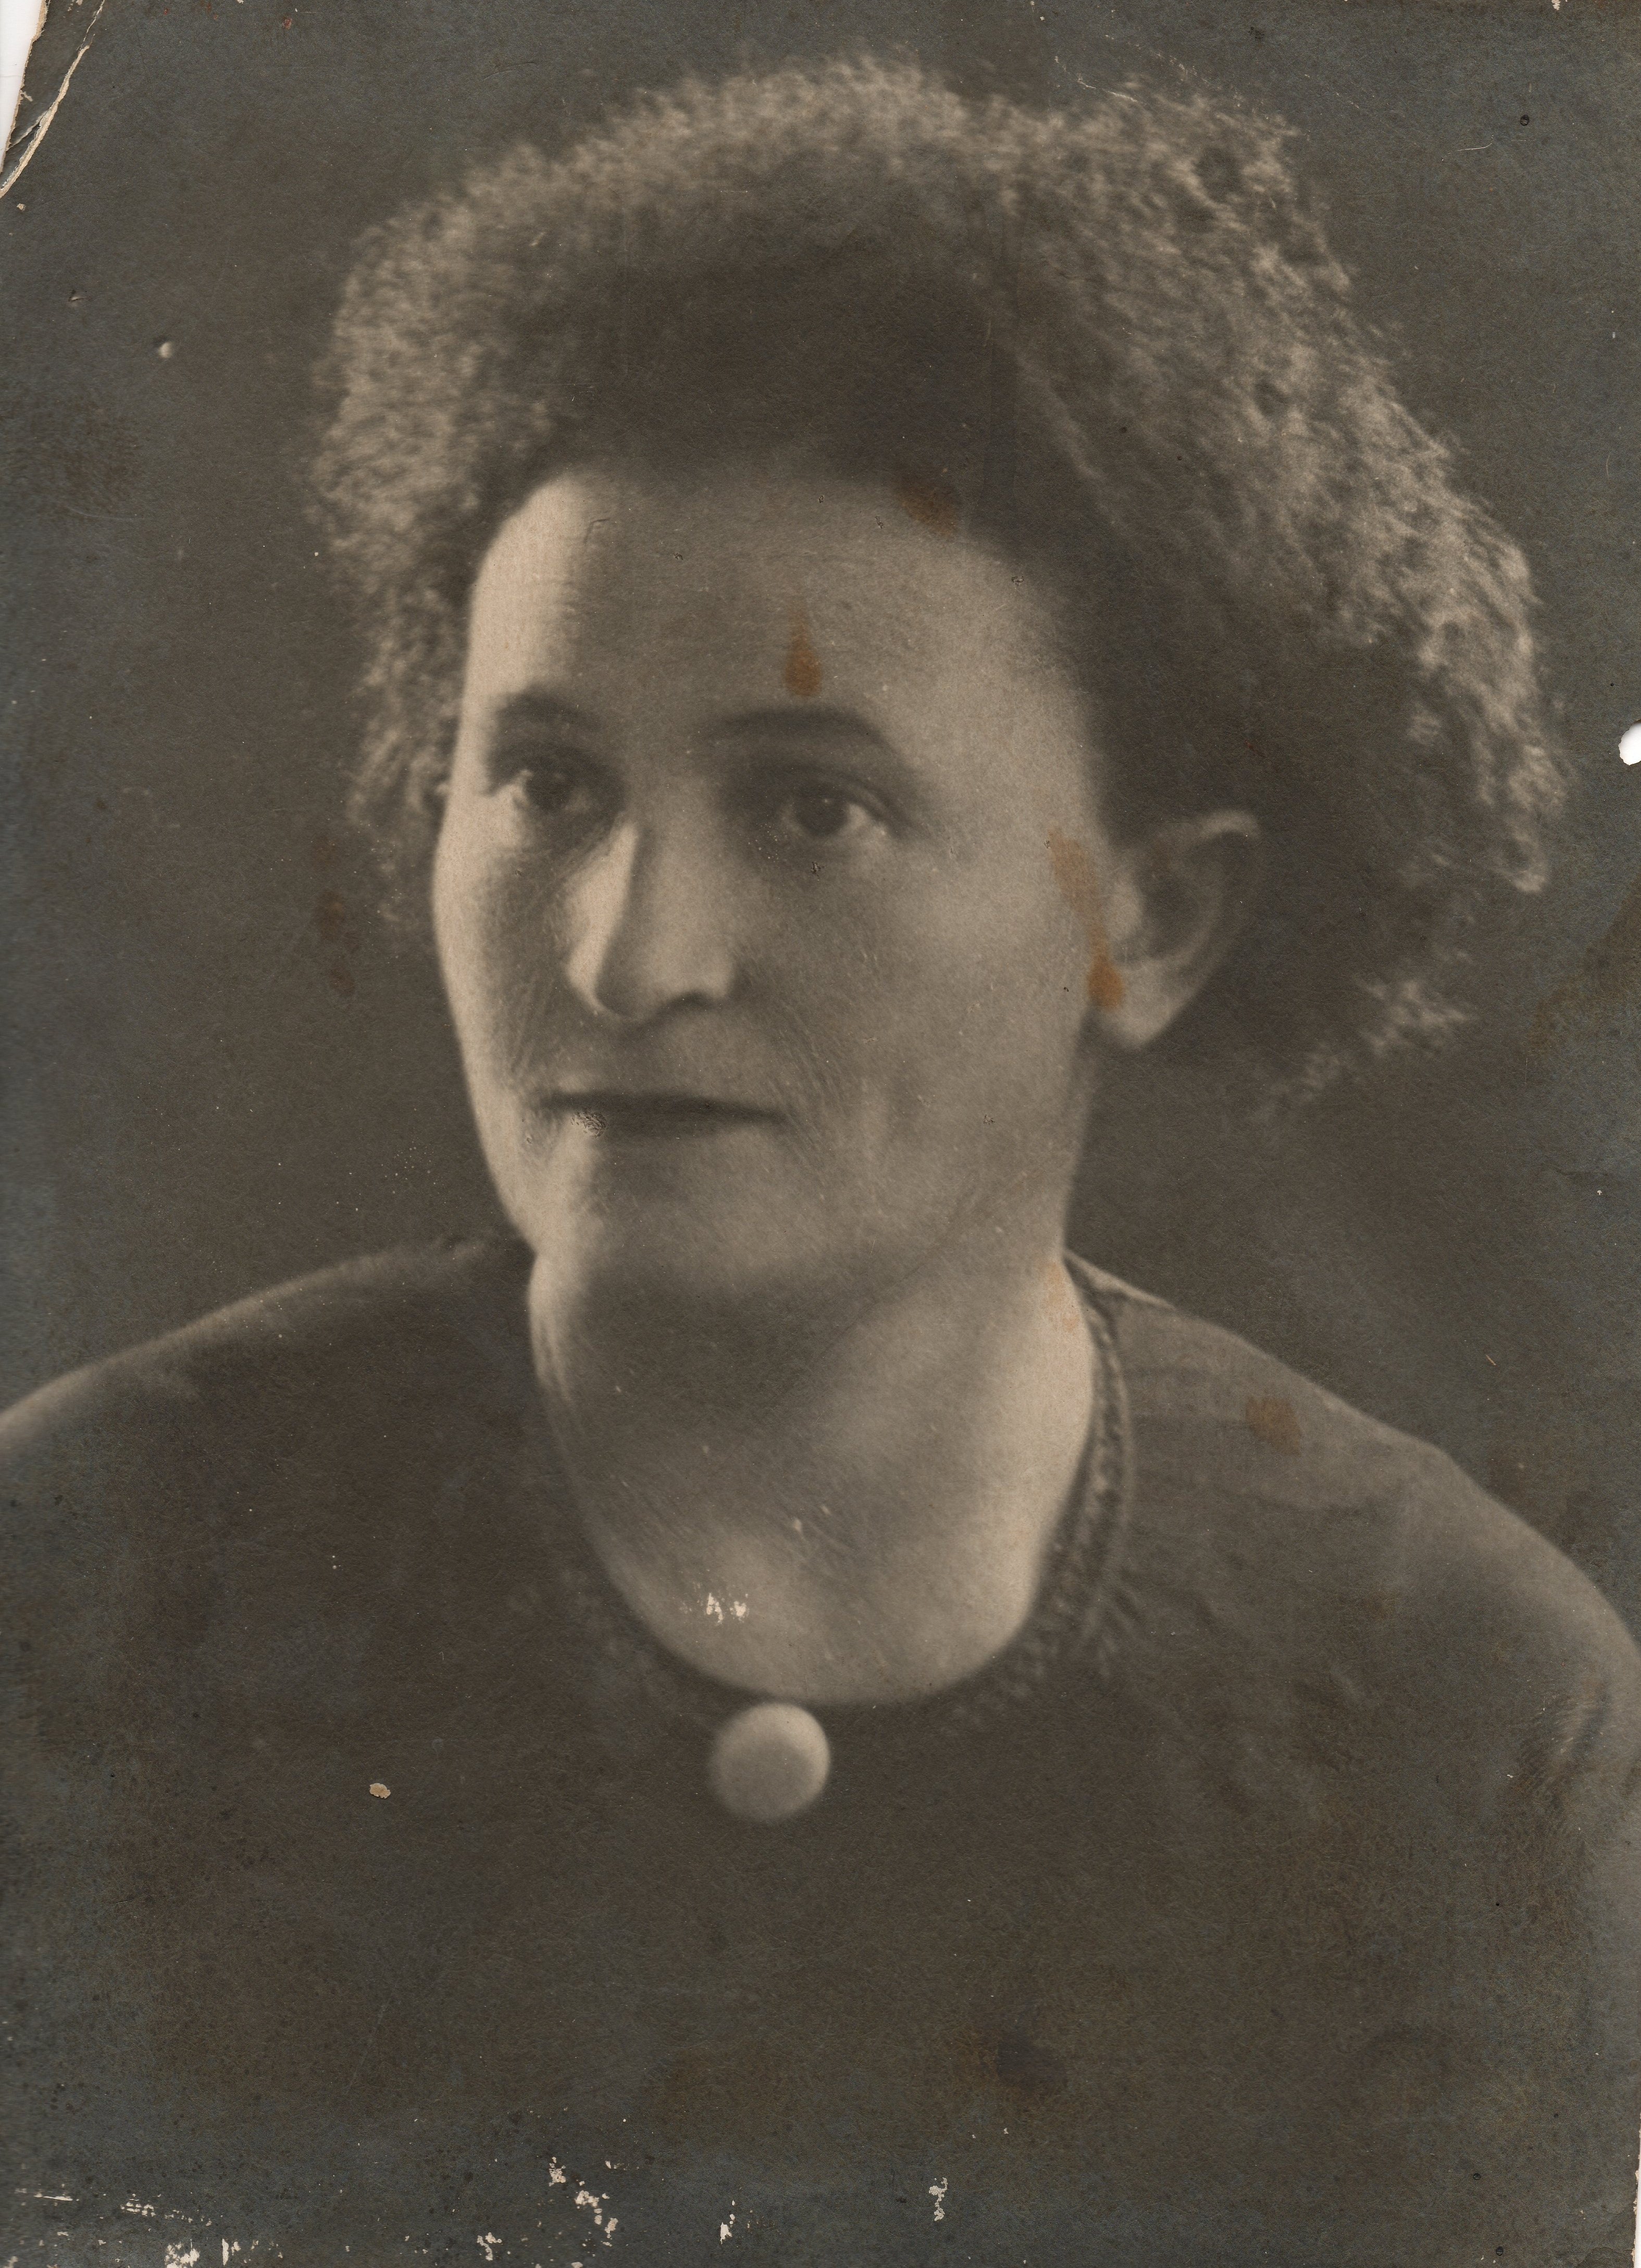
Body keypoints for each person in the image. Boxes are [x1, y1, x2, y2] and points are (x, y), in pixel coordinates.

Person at [7, 55, 1640, 2267]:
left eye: (811, 806)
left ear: (1152, 918)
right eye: (549, 783)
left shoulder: (1471, 1728)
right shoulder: (80, 1598)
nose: (626, 955)